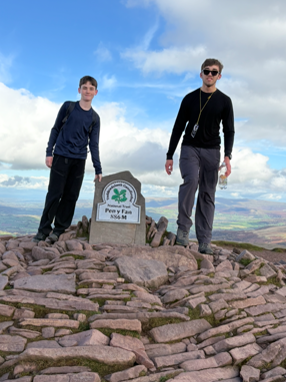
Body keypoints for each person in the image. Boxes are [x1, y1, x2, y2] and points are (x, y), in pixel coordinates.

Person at [165, 59, 234, 254]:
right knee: (191, 181)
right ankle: (183, 230)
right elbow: (178, 127)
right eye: (206, 71)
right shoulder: (189, 98)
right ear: (201, 74)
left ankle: (204, 240)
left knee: (207, 192)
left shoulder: (225, 101)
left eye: (214, 72)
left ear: (219, 76)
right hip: (190, 147)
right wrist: (169, 155)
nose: (210, 75)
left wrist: (227, 157)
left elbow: (229, 130)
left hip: (213, 151)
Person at [33, 76, 102, 243]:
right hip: (61, 157)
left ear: (95, 93)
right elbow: (55, 129)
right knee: (54, 194)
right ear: (79, 90)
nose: (87, 91)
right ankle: (43, 230)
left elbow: (93, 144)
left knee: (71, 196)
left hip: (79, 161)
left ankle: (58, 230)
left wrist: (98, 168)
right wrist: (49, 152)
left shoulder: (95, 118)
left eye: (91, 88)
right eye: (84, 88)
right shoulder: (68, 107)